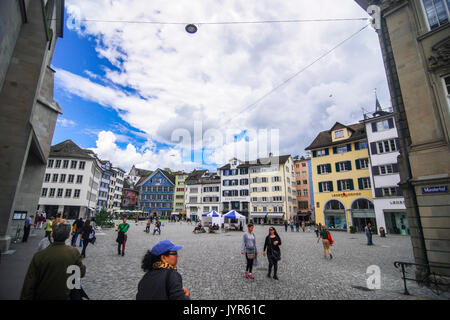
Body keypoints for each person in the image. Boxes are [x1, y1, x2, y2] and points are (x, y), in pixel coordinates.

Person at [20, 222, 86, 300]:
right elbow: (80, 273)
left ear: (52, 234)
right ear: (68, 236)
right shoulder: (73, 252)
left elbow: (29, 282)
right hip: (64, 294)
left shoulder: (39, 255)